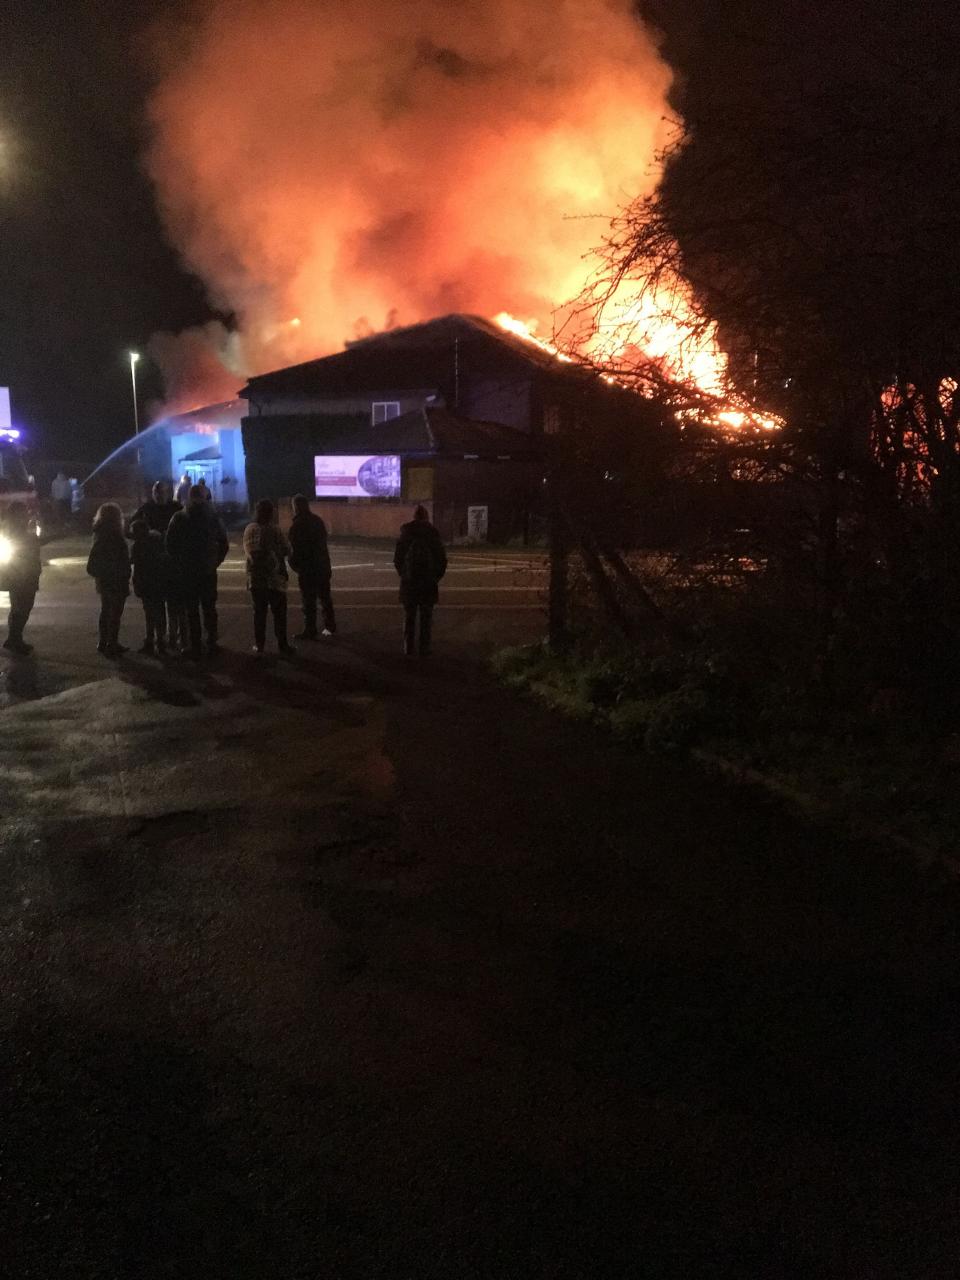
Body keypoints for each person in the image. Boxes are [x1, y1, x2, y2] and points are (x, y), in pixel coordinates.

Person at [165, 484, 229, 659]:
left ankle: (195, 645)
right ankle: (212, 642)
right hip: (207, 570)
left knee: (191, 609)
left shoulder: (179, 517)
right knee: (209, 608)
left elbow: (169, 544)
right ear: (205, 496)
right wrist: (215, 562)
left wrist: (179, 563)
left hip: (188, 571)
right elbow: (224, 543)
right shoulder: (213, 517)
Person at [243, 499, 296, 657]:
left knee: (259, 613)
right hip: (275, 579)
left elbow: (251, 552)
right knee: (279, 614)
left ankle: (260, 645)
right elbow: (288, 549)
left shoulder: (249, 530)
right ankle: (282, 645)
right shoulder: (275, 530)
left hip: (256, 578)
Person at [393, 504, 447, 657]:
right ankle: (424, 649)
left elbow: (397, 559)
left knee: (409, 616)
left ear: (414, 517)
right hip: (428, 582)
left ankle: (408, 648)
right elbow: (441, 560)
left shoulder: (406, 532)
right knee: (426, 618)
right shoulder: (433, 533)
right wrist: (435, 577)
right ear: (426, 516)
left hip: (409, 582)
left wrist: (404, 574)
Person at [288, 494, 336, 639]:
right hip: (322, 565)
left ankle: (310, 629)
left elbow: (295, 550)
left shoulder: (297, 525)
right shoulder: (317, 521)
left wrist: (295, 565)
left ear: (296, 507)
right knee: (325, 597)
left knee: (308, 601)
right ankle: (330, 626)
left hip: (307, 568)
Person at [86, 502, 130, 658]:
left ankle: (103, 642)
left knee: (106, 611)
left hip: (105, 581)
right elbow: (121, 561)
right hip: (116, 580)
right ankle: (112, 643)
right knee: (114, 613)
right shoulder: (115, 538)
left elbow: (92, 565)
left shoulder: (99, 535)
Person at [1, 502, 42, 655]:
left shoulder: (20, 529)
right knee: (22, 609)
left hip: (22, 576)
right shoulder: (16, 532)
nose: (27, 514)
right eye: (24, 512)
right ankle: (15, 640)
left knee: (18, 608)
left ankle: (13, 638)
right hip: (22, 577)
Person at [129, 519, 169, 655]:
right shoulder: (157, 541)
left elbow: (135, 563)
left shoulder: (138, 546)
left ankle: (151, 640)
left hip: (146, 583)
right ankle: (160, 641)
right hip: (158, 582)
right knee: (159, 612)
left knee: (150, 614)